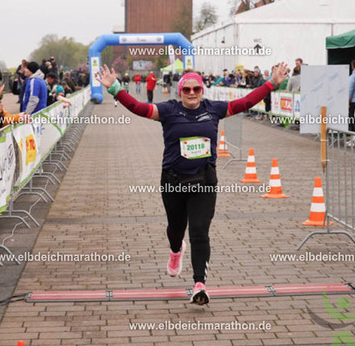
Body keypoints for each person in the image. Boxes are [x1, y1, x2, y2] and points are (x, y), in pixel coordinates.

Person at [95, 63, 288, 305]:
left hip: (204, 181)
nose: (192, 93)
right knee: (176, 228)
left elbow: (246, 102)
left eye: (196, 89)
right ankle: (176, 250)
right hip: (173, 181)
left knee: (199, 231)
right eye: (187, 89)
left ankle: (199, 285)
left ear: (202, 90)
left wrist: (271, 83)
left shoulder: (214, 109)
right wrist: (115, 88)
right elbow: (139, 107)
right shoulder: (168, 110)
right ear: (180, 92)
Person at [348, 60, 355, 138]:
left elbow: (350, 90)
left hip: (353, 101)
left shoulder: (352, 77)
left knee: (352, 120)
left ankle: (354, 138)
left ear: (352, 66)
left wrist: (348, 101)